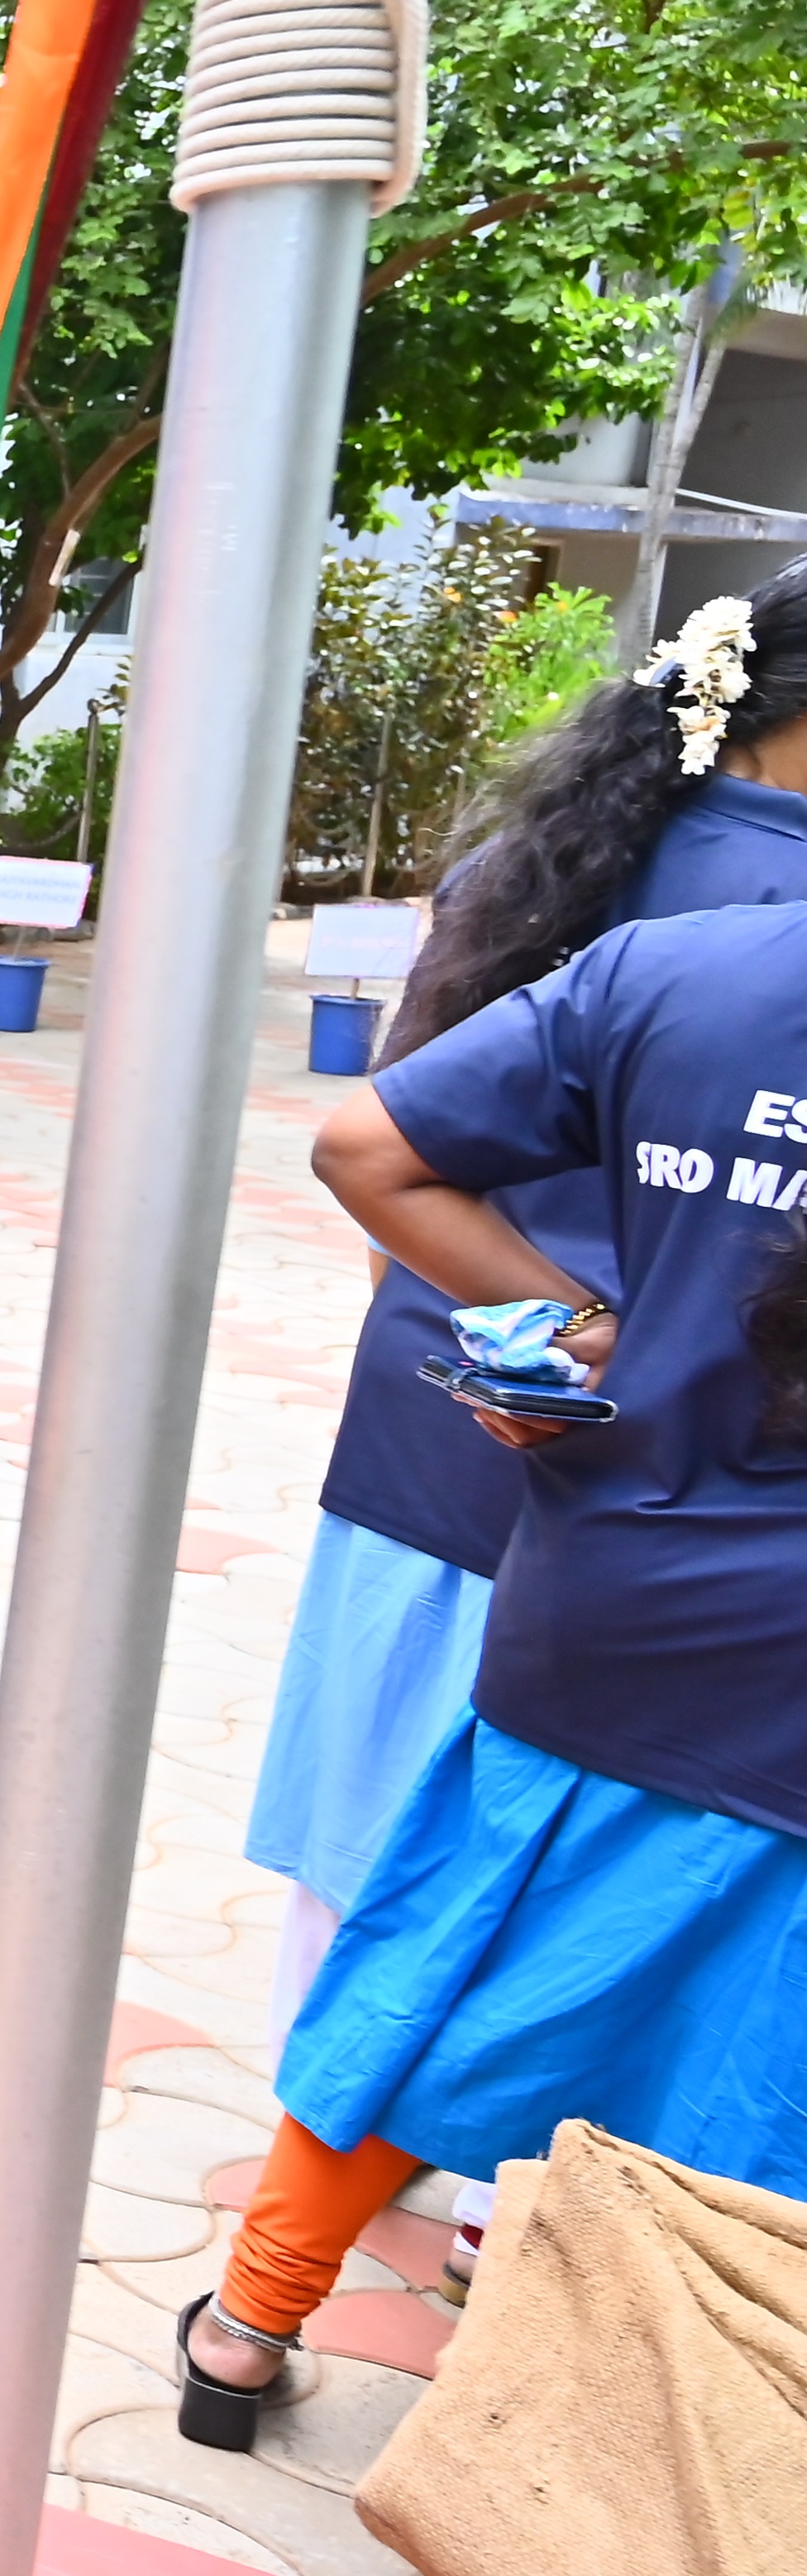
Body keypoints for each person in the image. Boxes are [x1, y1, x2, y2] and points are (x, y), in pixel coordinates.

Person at [180, 881, 807, 2446]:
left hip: (610, 1595)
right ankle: (641, 2460)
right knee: (754, 2060)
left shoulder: (681, 971)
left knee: (439, 1958)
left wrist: (592, 1323)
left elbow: (365, 1147)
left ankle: (246, 2331)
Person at [241, 567, 807, 2072]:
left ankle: (320, 2153)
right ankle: (519, 2212)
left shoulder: (556, 844)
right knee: (594, 1877)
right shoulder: (787, 916)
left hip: (450, 1387)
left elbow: (389, 1140)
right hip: (692, 1485)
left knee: (370, 1827)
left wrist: (500, 1326)